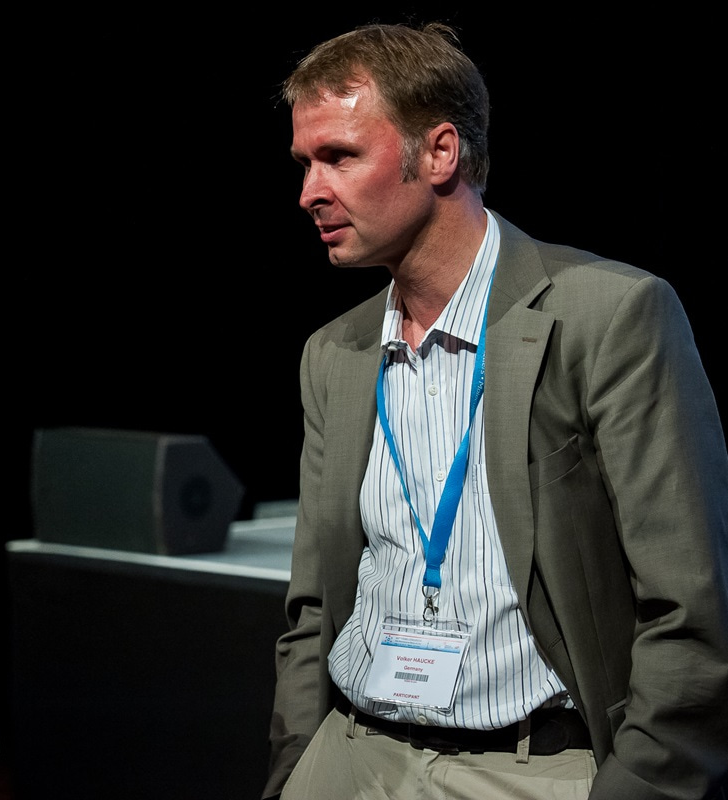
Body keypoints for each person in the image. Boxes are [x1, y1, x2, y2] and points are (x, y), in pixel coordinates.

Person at [264, 22, 728, 800]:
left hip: (526, 770)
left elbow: (691, 609)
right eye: (304, 163)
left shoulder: (605, 317)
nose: (309, 191)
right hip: (349, 755)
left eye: (340, 156)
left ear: (439, 153)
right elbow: (312, 605)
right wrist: (294, 767)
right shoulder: (333, 354)